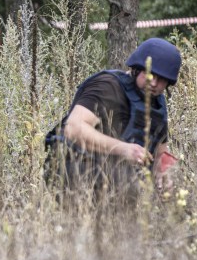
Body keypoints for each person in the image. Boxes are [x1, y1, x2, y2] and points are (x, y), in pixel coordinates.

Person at [44, 38, 182, 202]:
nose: (154, 83)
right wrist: (124, 149)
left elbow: (160, 152)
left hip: (119, 185)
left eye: (161, 79)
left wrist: (163, 172)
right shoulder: (107, 87)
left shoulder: (157, 103)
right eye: (150, 74)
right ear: (137, 69)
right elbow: (73, 128)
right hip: (77, 174)